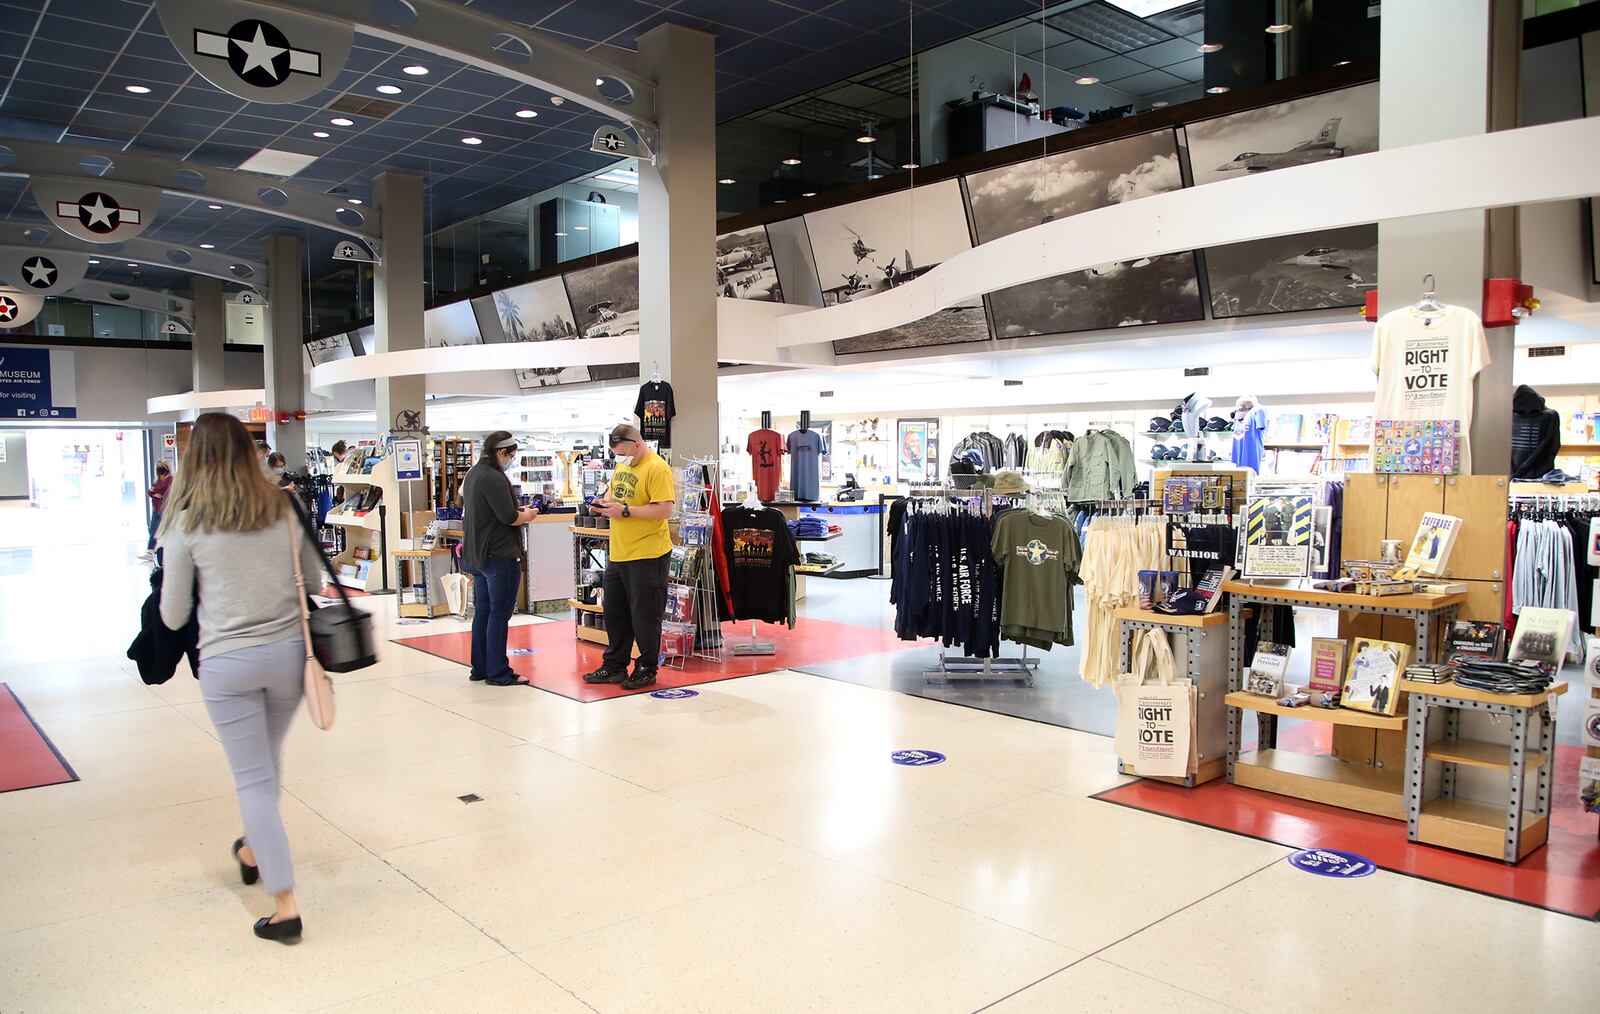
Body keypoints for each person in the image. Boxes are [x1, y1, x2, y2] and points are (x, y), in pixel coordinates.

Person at [156, 412, 324, 945]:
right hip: (289, 659)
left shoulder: (185, 521)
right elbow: (315, 578)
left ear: (194, 458)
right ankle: (253, 849)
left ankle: (285, 905)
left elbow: (174, 615)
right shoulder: (284, 506)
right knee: (266, 763)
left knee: (252, 778)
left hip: (227, 663)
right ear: (250, 453)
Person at [584, 423, 675, 690]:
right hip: (620, 552)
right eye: (616, 455)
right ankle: (615, 665)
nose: (620, 459)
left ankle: (647, 667)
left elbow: (664, 510)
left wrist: (625, 511)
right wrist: (603, 506)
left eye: (623, 453)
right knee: (615, 612)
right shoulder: (623, 465)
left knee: (645, 616)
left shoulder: (656, 468)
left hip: (648, 553)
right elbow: (614, 494)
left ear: (637, 444)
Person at [461, 432, 539, 686]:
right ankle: (498, 672)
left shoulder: (473, 474)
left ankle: (481, 667)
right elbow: (508, 516)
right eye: (512, 456)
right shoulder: (494, 478)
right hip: (499, 555)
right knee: (499, 614)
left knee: (483, 610)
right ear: (502, 452)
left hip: (479, 554)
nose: (512, 461)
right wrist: (527, 515)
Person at [138, 460, 172, 561]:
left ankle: (168, 550)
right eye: (157, 466)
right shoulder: (157, 480)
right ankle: (150, 551)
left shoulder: (170, 479)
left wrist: (156, 492)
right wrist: (154, 493)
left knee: (166, 530)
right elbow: (150, 491)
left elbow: (166, 490)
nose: (159, 468)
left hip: (164, 508)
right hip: (156, 508)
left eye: (161, 466)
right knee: (153, 529)